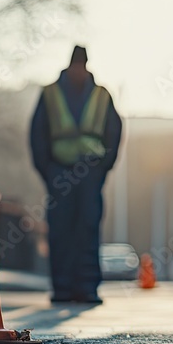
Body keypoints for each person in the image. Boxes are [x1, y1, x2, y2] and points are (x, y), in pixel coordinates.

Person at [29, 46, 122, 303]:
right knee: (60, 230)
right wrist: (48, 171)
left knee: (87, 228)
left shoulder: (102, 95)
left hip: (90, 172)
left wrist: (102, 168)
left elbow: (113, 133)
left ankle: (86, 288)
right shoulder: (50, 94)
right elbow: (38, 134)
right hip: (60, 171)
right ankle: (63, 288)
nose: (78, 71)